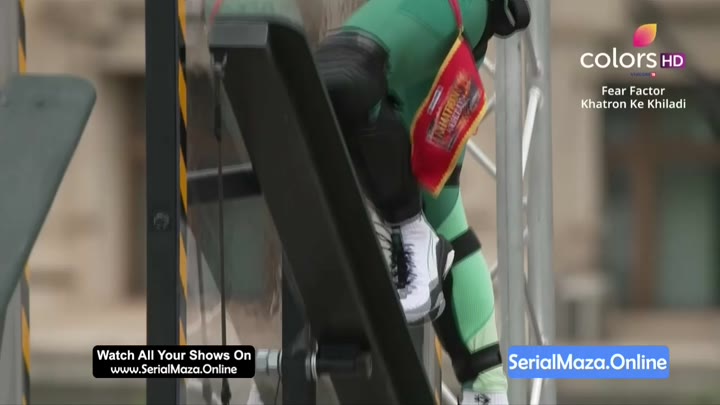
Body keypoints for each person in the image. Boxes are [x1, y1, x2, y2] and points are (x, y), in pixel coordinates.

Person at [314, 0, 530, 403]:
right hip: (436, 34)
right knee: (437, 207)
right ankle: (487, 389)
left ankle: (408, 228)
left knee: (341, 73)